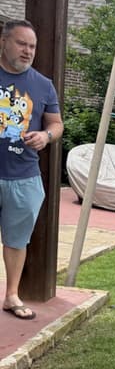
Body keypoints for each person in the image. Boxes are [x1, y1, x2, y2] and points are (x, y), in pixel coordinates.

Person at [0, 19, 63, 320]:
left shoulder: (43, 85)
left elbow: (56, 123)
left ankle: (12, 295)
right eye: (21, 43)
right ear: (4, 42)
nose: (27, 51)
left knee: (16, 240)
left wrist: (45, 136)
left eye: (32, 46)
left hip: (24, 177)